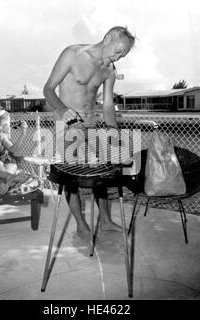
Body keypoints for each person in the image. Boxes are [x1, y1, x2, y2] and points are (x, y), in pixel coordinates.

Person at [43, 26, 135, 240]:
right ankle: (81, 225)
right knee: (72, 178)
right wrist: (62, 109)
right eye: (119, 50)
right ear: (109, 37)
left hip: (92, 124)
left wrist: (114, 134)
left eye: (123, 55)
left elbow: (108, 106)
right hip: (66, 126)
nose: (119, 57)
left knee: (102, 172)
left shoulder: (109, 70)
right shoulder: (73, 54)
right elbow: (48, 89)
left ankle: (105, 220)